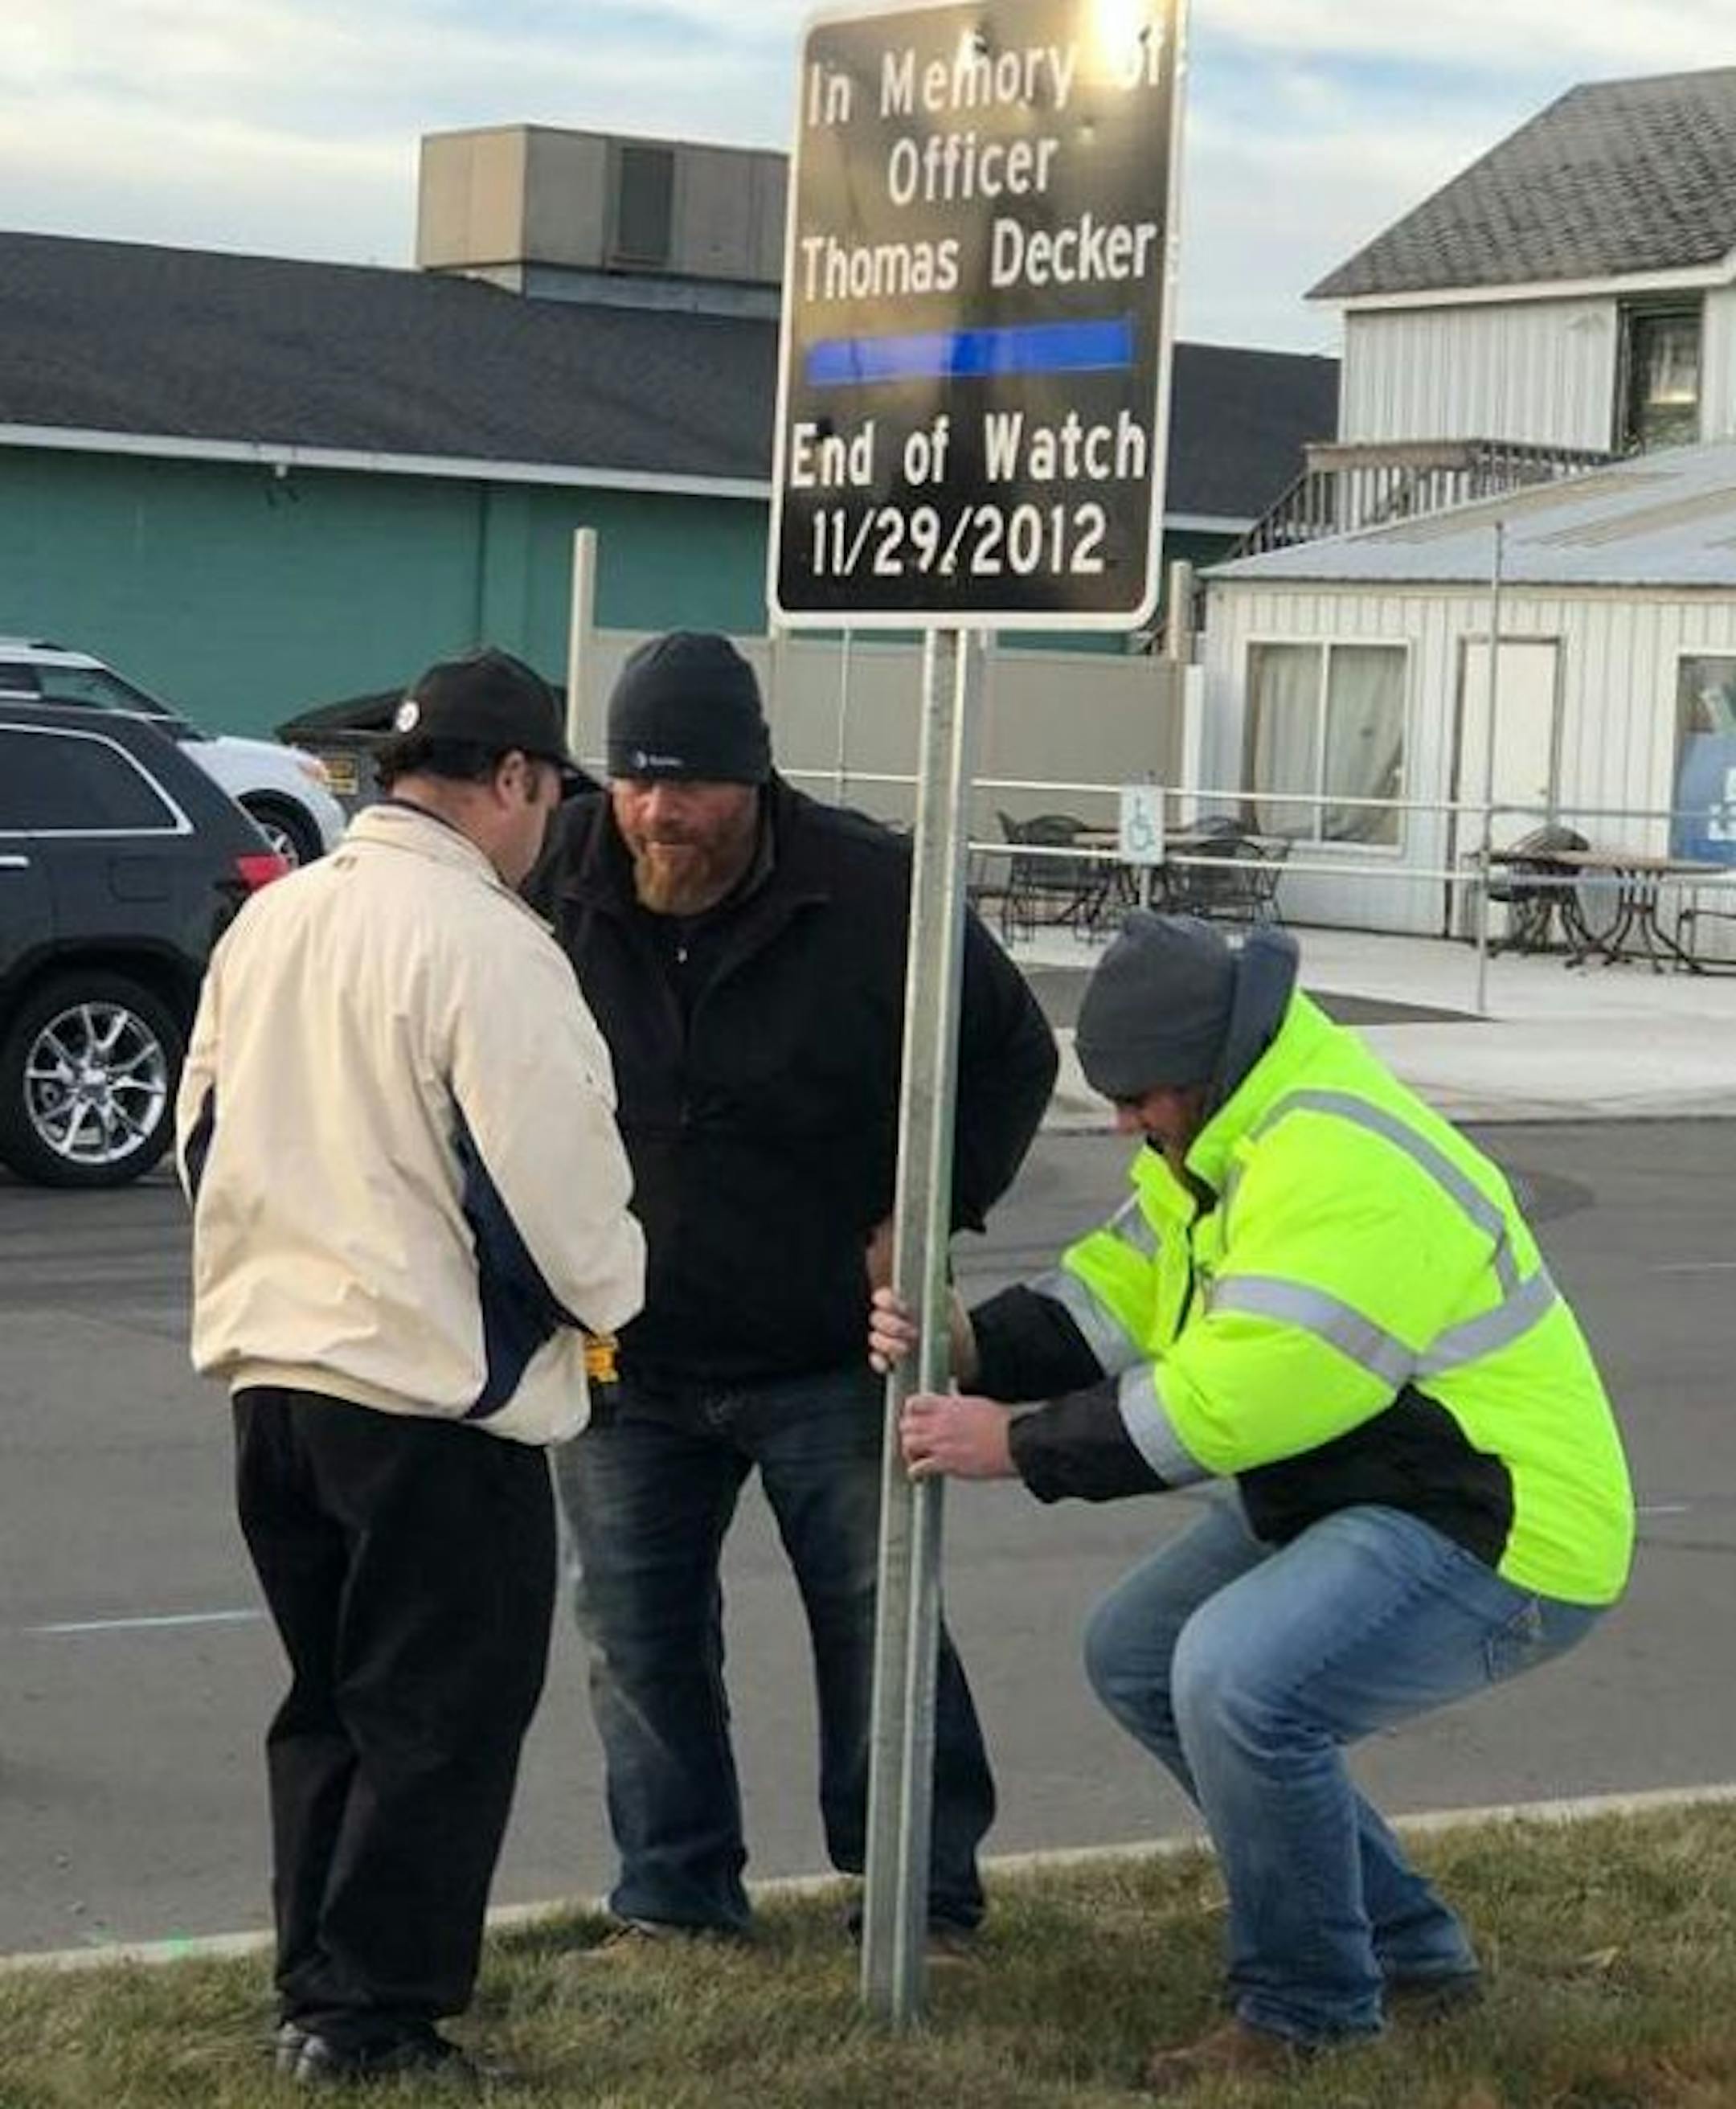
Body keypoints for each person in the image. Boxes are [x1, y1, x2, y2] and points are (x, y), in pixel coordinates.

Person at [874, 911, 1633, 2092]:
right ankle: (1407, 1951)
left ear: (1210, 1069)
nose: (1124, 1123)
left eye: (1139, 1100)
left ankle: (1311, 2009)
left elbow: (1242, 1398)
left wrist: (1018, 1444)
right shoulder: (1222, 1135)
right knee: (1139, 1652)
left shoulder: (1338, 1164)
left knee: (1237, 1679)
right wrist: (977, 1345)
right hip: (1370, 1487)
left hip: (1501, 1521)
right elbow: (1120, 1290)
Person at [527, 629, 1058, 1951]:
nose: (659, 814)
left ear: (755, 778)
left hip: (829, 1348)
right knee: (634, 1637)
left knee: (878, 1626)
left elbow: (1012, 1053)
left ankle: (919, 1893)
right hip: (624, 1361)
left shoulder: (874, 891)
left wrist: (933, 1206)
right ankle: (675, 1898)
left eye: (691, 786)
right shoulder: (556, 881)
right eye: (637, 782)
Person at [176, 649, 645, 2089]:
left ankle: (313, 1986)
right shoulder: (492, 946)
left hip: (274, 1374)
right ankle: (376, 2019)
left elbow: (197, 1135)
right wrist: (614, 1303)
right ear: (510, 779)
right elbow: (556, 1196)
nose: (553, 818)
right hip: (432, 1393)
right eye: (551, 789)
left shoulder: (280, 919)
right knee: (436, 1717)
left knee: (326, 1699)